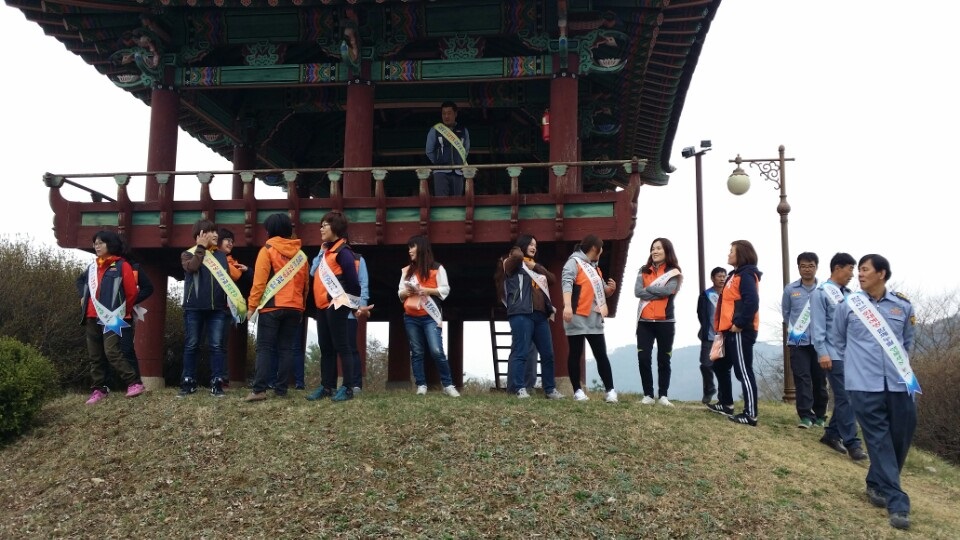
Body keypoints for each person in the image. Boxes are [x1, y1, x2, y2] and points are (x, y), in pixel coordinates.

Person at [834, 254, 919, 531]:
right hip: (863, 384)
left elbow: (907, 342)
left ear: (881, 274)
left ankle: (875, 482)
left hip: (899, 383)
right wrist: (854, 367)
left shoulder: (902, 306)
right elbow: (838, 340)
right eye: (858, 270)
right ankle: (898, 503)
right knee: (879, 440)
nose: (859, 274)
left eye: (865, 269)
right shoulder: (848, 305)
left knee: (900, 438)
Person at [244, 213, 309, 402]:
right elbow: (305, 286)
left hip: (272, 306)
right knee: (286, 349)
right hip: (295, 307)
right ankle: (281, 390)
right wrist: (301, 307)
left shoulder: (267, 250)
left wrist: (251, 306)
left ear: (270, 230)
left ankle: (259, 390)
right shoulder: (301, 256)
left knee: (265, 348)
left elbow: (259, 283)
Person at [76, 230, 145, 404]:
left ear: (110, 244)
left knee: (112, 351)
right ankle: (99, 389)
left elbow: (131, 293)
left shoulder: (122, 265)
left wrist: (122, 311)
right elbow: (80, 281)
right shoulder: (92, 267)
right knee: (95, 356)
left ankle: (134, 382)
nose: (97, 246)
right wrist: (82, 295)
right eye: (95, 243)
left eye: (101, 243)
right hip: (90, 315)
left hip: (113, 317)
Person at [179, 219, 246, 398]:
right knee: (192, 345)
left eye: (216, 231)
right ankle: (188, 381)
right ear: (200, 234)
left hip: (217, 308)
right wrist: (201, 248)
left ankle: (217, 382)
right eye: (211, 231)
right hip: (193, 308)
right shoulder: (187, 254)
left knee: (217, 346)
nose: (216, 235)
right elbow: (192, 267)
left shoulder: (221, 256)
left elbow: (228, 282)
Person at [306, 211, 368, 402]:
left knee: (343, 346)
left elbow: (353, 283)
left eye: (325, 225)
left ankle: (347, 387)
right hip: (322, 306)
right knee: (326, 347)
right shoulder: (327, 252)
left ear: (336, 228)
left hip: (336, 304)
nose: (321, 229)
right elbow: (313, 273)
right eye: (321, 225)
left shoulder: (343, 252)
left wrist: (351, 305)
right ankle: (327, 386)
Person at [810, 252, 867, 461]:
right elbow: (817, 327)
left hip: (850, 354)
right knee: (846, 397)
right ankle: (853, 443)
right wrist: (822, 352)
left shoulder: (850, 295)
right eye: (850, 269)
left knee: (848, 397)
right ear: (837, 268)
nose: (853, 274)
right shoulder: (821, 293)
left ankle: (832, 434)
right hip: (832, 354)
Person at [707, 240, 762, 426]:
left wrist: (739, 323)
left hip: (740, 331)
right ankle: (726, 403)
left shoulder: (746, 275)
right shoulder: (733, 275)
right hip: (727, 331)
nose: (728, 254)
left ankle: (751, 414)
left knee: (743, 371)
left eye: (732, 251)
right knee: (719, 365)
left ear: (742, 254)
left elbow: (752, 302)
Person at [502, 234, 563, 399]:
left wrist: (535, 266)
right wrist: (517, 250)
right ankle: (518, 388)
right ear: (522, 245)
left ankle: (550, 389)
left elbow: (552, 279)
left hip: (540, 315)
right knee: (521, 352)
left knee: (548, 354)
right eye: (530, 244)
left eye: (535, 245)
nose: (534, 247)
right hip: (521, 313)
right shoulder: (512, 263)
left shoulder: (536, 266)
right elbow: (516, 257)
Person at [398, 235, 460, 397]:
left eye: (412, 247)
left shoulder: (437, 268)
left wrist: (427, 291)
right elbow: (400, 293)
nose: (409, 250)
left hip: (431, 316)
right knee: (417, 351)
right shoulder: (407, 271)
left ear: (421, 248)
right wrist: (406, 292)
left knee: (436, 350)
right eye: (409, 247)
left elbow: (445, 290)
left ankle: (448, 385)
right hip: (411, 316)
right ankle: (421, 385)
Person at [561, 234, 618, 403]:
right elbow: (566, 283)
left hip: (594, 317)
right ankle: (577, 391)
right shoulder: (573, 262)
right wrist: (567, 306)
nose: (602, 251)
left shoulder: (594, 268)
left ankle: (610, 390)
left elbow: (601, 290)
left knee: (601, 354)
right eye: (601, 248)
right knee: (575, 353)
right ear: (594, 248)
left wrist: (610, 290)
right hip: (577, 315)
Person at [634, 237, 683, 406]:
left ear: (666, 250)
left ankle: (663, 395)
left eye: (658, 248)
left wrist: (648, 289)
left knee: (664, 359)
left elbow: (668, 291)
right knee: (643, 358)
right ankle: (648, 394)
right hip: (644, 321)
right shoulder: (643, 270)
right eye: (653, 248)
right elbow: (637, 292)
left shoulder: (674, 272)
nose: (654, 251)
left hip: (666, 322)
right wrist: (657, 292)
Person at [783, 252, 829, 428]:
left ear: (816, 267)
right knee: (802, 378)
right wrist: (796, 330)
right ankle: (805, 416)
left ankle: (820, 415)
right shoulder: (790, 290)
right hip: (798, 342)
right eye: (803, 266)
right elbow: (786, 313)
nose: (807, 269)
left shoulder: (824, 290)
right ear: (798, 268)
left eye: (810, 266)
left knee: (819, 379)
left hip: (820, 343)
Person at [217, 227, 251, 386]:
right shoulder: (211, 258)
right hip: (211, 306)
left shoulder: (231, 261)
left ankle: (222, 378)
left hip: (226, 307)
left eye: (232, 241)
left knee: (222, 344)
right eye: (227, 240)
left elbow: (236, 274)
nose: (230, 243)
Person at [425, 101, 470, 196]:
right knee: (442, 202)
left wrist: (458, 161)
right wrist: (439, 161)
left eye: (449, 113)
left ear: (455, 114)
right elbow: (429, 151)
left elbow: (465, 150)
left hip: (458, 172)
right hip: (440, 172)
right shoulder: (435, 130)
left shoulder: (463, 131)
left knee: (457, 202)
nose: (446, 116)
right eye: (444, 113)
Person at [696, 266, 726, 404]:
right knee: (706, 365)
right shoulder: (706, 295)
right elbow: (700, 313)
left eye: (724, 276)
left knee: (722, 367)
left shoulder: (729, 294)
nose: (722, 279)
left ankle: (723, 396)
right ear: (713, 278)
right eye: (719, 276)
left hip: (724, 337)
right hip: (709, 336)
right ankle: (709, 389)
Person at [346, 252, 371, 393]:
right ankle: (330, 385)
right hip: (331, 309)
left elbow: (363, 283)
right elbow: (313, 272)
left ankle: (355, 384)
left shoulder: (358, 259)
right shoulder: (326, 256)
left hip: (350, 311)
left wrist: (362, 306)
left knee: (351, 348)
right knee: (331, 349)